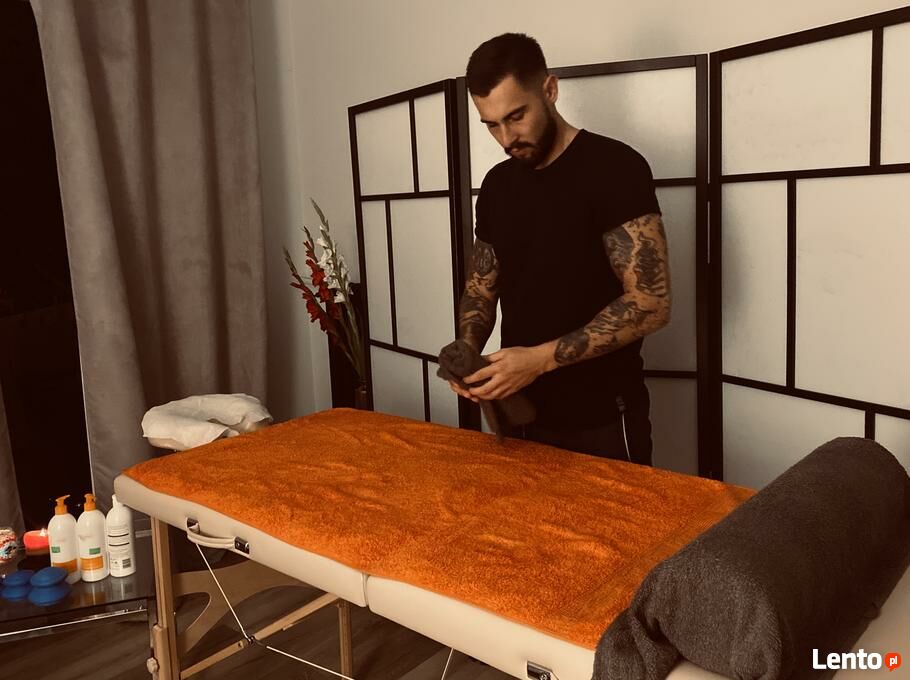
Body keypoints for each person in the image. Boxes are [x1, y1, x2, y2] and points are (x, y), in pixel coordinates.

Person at [449, 33, 671, 465]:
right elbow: (480, 289)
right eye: (491, 124)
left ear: (549, 90)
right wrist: (467, 350)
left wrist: (539, 360)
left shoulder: (617, 168)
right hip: (519, 411)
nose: (506, 138)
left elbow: (651, 303)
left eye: (516, 116)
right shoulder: (496, 186)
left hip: (603, 415)